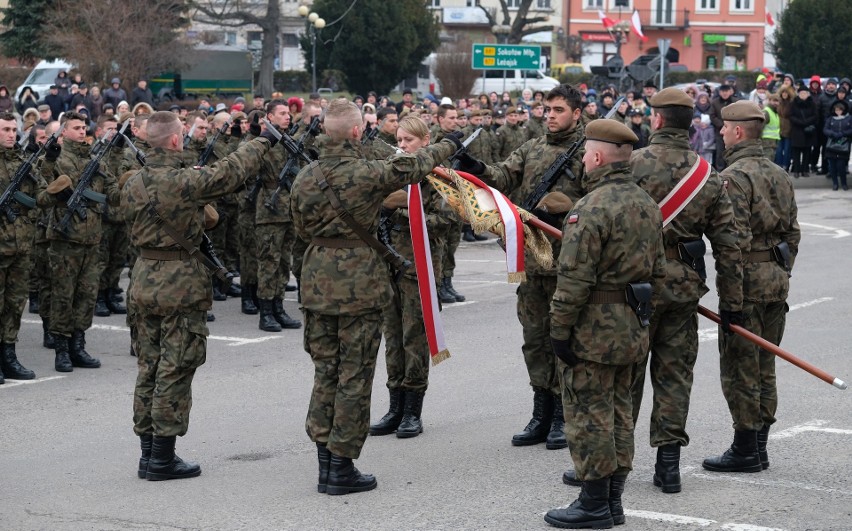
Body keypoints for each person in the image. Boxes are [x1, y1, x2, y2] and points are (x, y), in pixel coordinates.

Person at [566, 88, 742, 495]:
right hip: (682, 290)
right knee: (675, 375)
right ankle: (668, 465)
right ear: (691, 122)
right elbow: (729, 246)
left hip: (631, 289)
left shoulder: (632, 162)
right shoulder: (708, 174)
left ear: (657, 120)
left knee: (623, 378)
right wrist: (732, 303)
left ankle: (603, 466)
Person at [290, 98, 461, 495]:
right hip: (359, 287)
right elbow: (416, 165)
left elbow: (299, 229)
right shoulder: (367, 173)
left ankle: (324, 464)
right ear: (356, 132)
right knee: (354, 374)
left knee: (325, 373)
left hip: (316, 282)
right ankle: (342, 467)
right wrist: (449, 143)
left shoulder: (305, 176)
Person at [122, 111, 277, 481]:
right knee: (176, 367)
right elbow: (231, 170)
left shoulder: (132, 183)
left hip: (143, 278)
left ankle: (148, 454)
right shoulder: (184, 182)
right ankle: (162, 458)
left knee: (149, 366)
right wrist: (263, 139)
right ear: (176, 140)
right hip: (179, 283)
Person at [544, 118, 666, 529]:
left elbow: (573, 279)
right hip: (633, 324)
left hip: (593, 330)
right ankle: (613, 500)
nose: (582, 160)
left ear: (596, 157)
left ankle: (593, 502)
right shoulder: (647, 204)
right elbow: (660, 271)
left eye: (585, 154)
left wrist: (559, 330)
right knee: (619, 413)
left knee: (588, 413)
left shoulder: (590, 207)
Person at [456, 84, 586, 452]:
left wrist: (570, 206)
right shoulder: (533, 147)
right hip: (532, 260)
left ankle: (563, 414)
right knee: (535, 339)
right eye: (547, 109)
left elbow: (602, 199)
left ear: (577, 113)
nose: (550, 115)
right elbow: (502, 174)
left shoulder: (588, 151)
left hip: (567, 262)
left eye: (559, 109)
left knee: (565, 340)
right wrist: (474, 168)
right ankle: (541, 412)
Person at [702, 100, 800, 475]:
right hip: (776, 281)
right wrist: (782, 270)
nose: (722, 132)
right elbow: (793, 233)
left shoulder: (734, 177)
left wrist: (731, 301)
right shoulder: (779, 172)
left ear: (739, 131)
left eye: (725, 127)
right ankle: (759, 447)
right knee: (765, 363)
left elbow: (733, 244)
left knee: (741, 366)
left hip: (748, 284)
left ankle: (746, 447)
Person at [369, 116, 452, 439]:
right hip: (388, 263)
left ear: (426, 141)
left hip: (419, 264)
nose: (402, 146)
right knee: (392, 336)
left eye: (409, 141)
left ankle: (413, 411)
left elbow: (447, 219)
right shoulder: (391, 172)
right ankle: (395, 406)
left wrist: (405, 208)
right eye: (400, 140)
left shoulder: (439, 176)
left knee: (413, 336)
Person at [0, 113, 45, 384]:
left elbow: (40, 195)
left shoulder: (21, 161)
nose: (10, 134)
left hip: (21, 246)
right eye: (4, 129)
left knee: (15, 304)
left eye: (12, 129)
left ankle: (9, 355)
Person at [254, 100, 302, 332]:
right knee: (268, 262)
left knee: (284, 262)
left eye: (288, 113)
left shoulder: (288, 141)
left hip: (289, 208)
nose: (287, 117)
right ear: (269, 117)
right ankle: (266, 313)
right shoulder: (262, 142)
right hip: (270, 209)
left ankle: (279, 308)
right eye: (282, 113)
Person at [788, 84, 818, 178]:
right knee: (796, 152)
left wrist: (807, 122)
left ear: (808, 94)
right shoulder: (794, 103)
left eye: (805, 93)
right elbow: (791, 116)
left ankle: (805, 170)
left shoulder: (812, 103)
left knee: (807, 152)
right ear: (798, 94)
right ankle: (796, 170)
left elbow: (815, 115)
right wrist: (800, 122)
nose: (803, 95)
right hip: (797, 130)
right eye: (801, 93)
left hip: (808, 131)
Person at [822, 100, 852, 191]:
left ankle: (844, 183)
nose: (838, 112)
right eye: (836, 110)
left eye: (840, 110)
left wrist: (843, 133)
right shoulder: (830, 119)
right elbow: (825, 129)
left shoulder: (849, 118)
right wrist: (832, 134)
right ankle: (835, 183)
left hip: (843, 144)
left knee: (841, 166)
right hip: (832, 145)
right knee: (832, 166)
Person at [709, 85, 739, 171]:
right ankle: (720, 171)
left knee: (732, 151)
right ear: (719, 92)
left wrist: (730, 126)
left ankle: (732, 170)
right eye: (723, 91)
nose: (725, 93)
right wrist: (722, 125)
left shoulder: (736, 102)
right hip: (719, 131)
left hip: (733, 131)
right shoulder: (715, 102)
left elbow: (738, 114)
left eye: (726, 91)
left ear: (730, 92)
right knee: (720, 152)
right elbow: (712, 115)